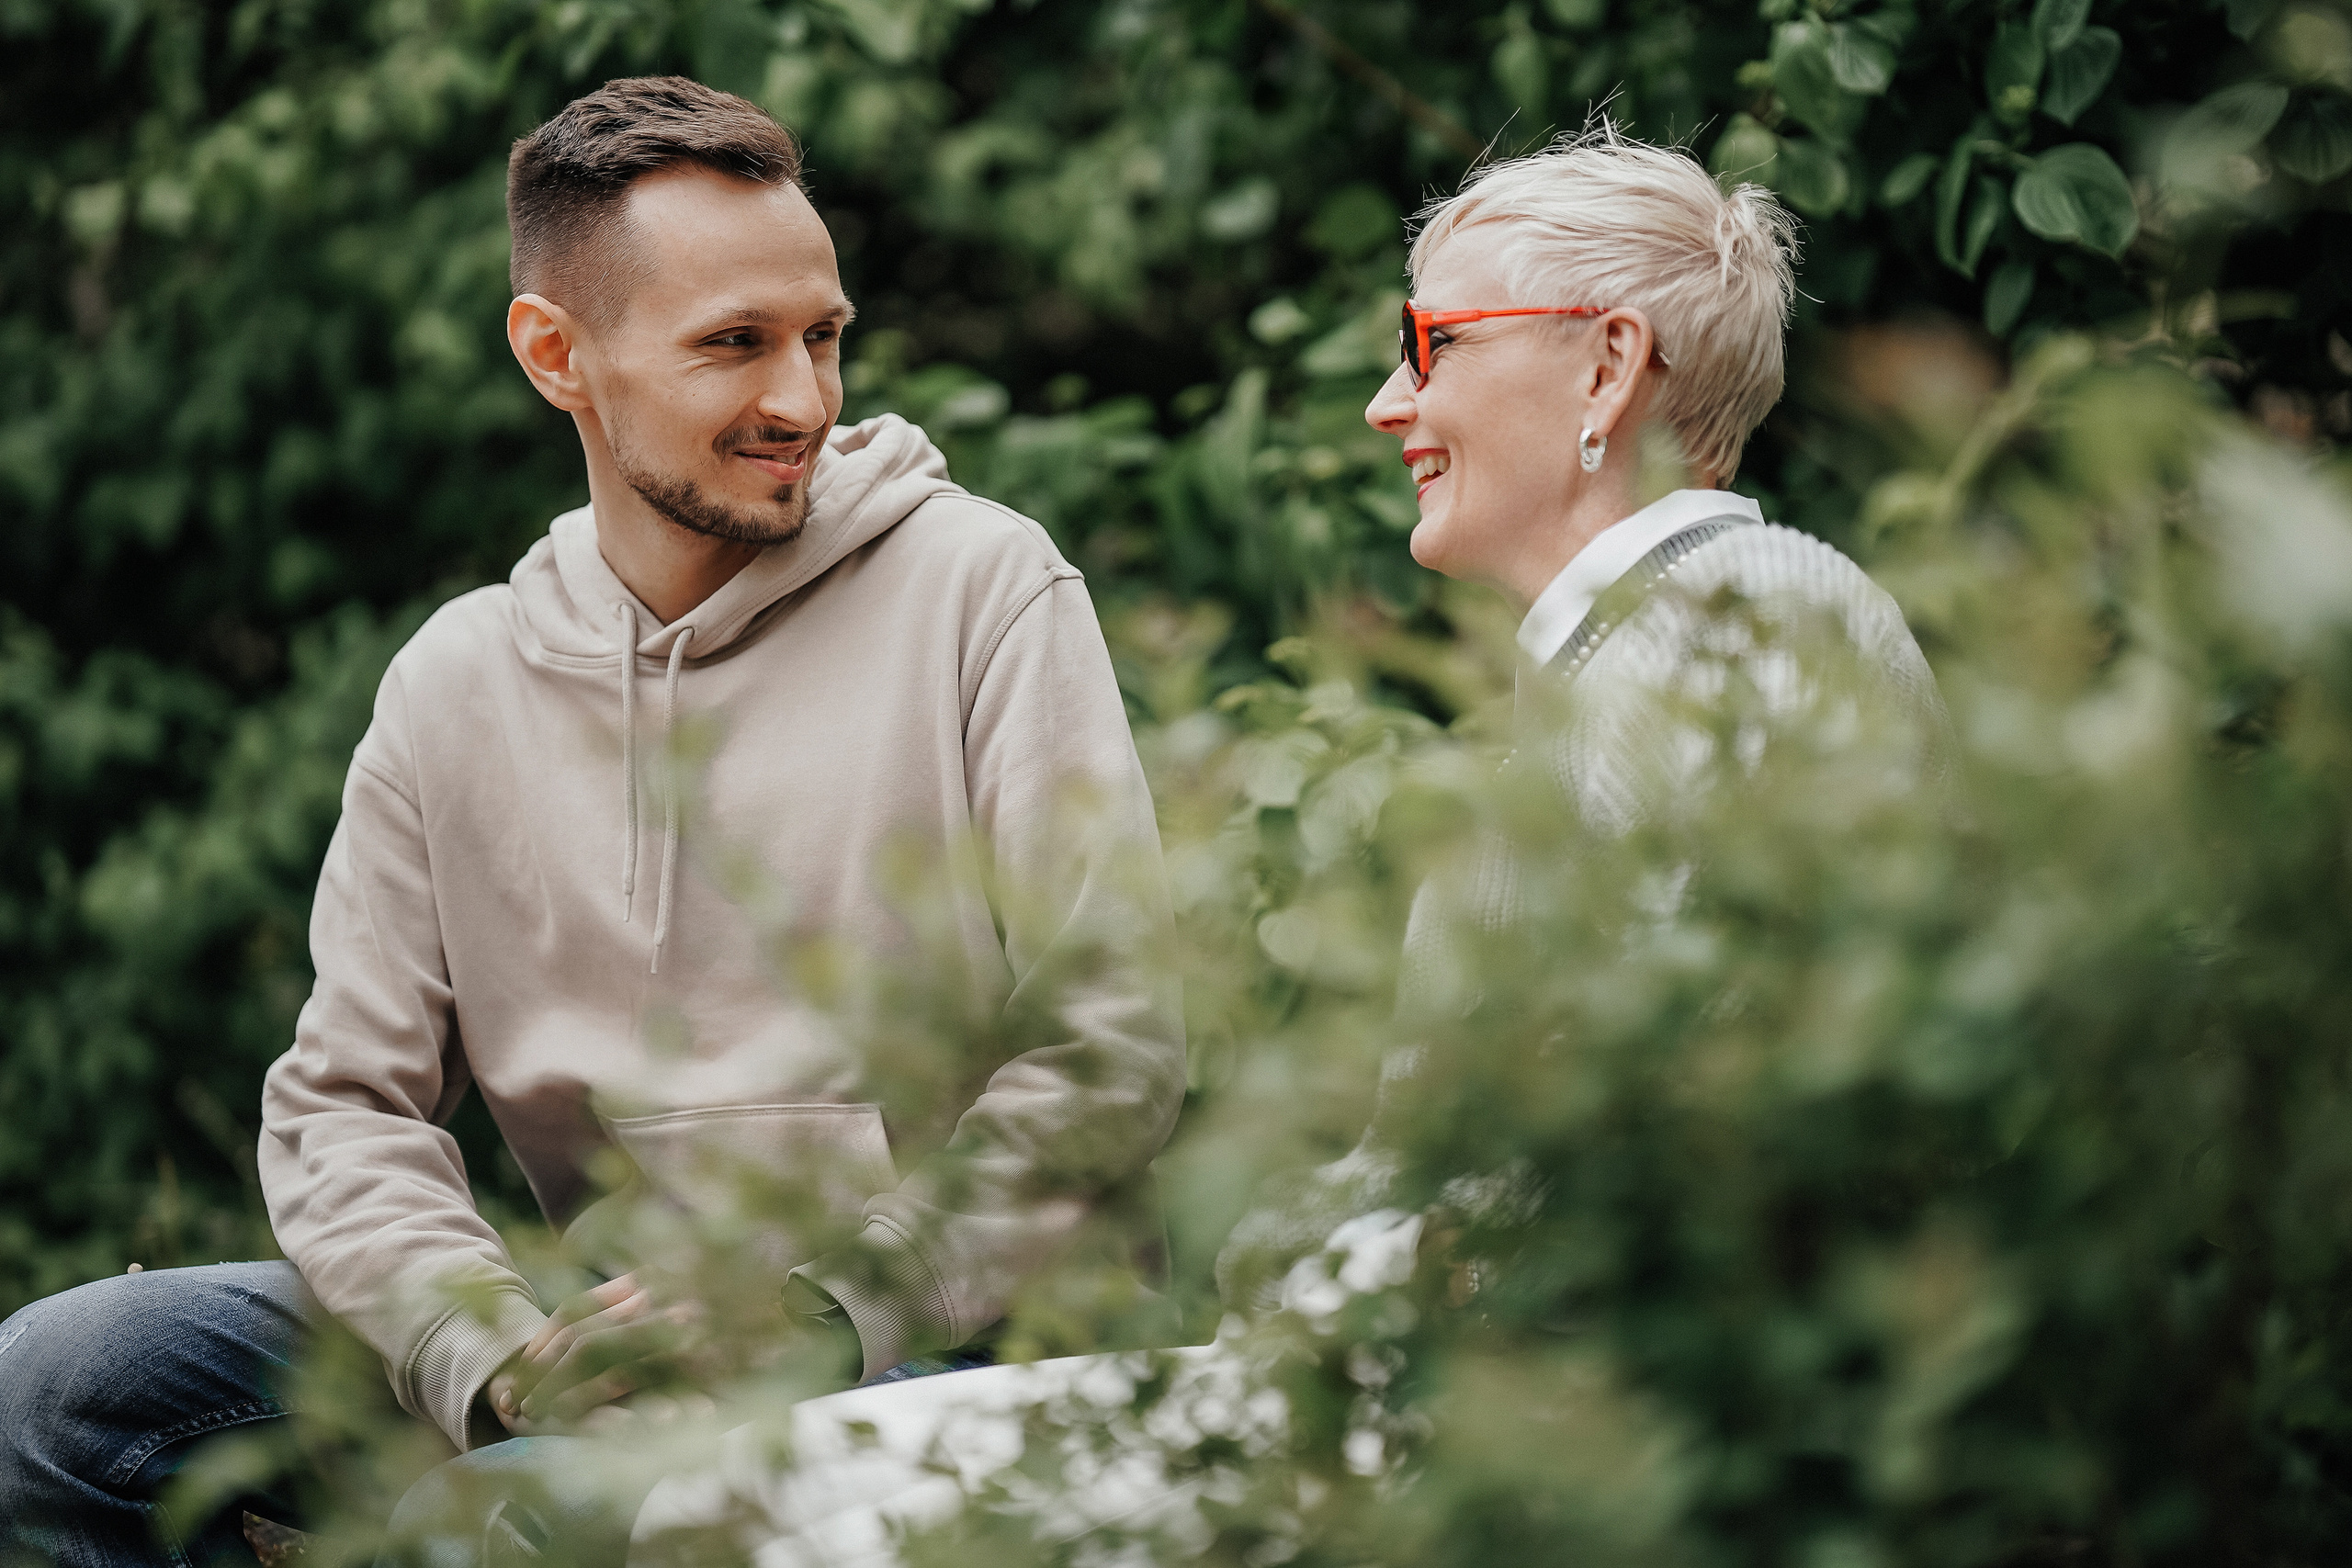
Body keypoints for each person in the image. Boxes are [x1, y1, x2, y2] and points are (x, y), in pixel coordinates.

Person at [625, 122, 1949, 1565]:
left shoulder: (1739, 614)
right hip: (1385, 1389)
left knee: (765, 1532)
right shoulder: (1636, 658)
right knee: (722, 1490)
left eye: (1430, 342)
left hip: (1515, 1440)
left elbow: (1669, 1137)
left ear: (1608, 367)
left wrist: (1360, 1294)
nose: (1390, 402)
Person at [0, 75, 1185, 1566]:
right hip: (603, 1345)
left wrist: (825, 1301)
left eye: (823, 336)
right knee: (63, 1386)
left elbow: (1108, 1046)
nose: (803, 401)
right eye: (733, 346)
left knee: (501, 1517)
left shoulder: (983, 589)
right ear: (557, 354)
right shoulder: (457, 682)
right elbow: (340, 1109)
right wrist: (488, 1354)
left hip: (952, 1339)